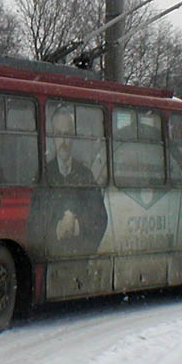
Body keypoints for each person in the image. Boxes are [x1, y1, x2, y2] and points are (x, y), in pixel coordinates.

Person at [27, 108, 108, 257]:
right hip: (50, 261)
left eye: (67, 135)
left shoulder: (85, 175)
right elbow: (33, 225)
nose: (63, 142)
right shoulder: (43, 176)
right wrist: (56, 229)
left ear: (73, 137)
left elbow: (100, 218)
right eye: (59, 134)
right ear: (53, 138)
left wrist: (77, 226)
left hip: (79, 262)